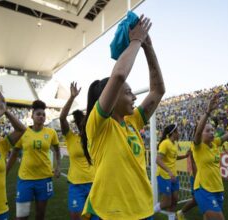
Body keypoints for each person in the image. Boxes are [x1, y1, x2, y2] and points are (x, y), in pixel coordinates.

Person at [81, 15, 165, 219]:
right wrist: (136, 39)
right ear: (111, 96)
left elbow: (158, 91)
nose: (134, 96)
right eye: (128, 92)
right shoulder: (98, 124)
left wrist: (148, 47)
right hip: (110, 214)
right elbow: (119, 75)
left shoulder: (132, 121)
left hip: (144, 211)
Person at [6, 100, 61, 220]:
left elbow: (57, 150)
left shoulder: (51, 133)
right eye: (38, 114)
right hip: (25, 179)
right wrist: (5, 171)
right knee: (21, 216)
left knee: (40, 215)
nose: (41, 116)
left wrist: (58, 167)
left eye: (43, 115)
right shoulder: (23, 133)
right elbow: (14, 153)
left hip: (44, 178)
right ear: (32, 116)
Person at [59, 82, 95, 220]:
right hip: (76, 185)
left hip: (94, 184)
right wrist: (72, 97)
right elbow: (62, 118)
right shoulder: (70, 137)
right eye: (81, 123)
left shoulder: (94, 138)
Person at [155, 124, 189, 212]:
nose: (179, 133)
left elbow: (174, 157)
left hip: (174, 176)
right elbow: (158, 160)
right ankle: (150, 212)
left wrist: (185, 156)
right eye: (178, 132)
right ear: (173, 133)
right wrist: (169, 171)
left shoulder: (174, 144)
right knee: (167, 203)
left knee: (175, 201)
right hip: (164, 175)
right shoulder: (165, 143)